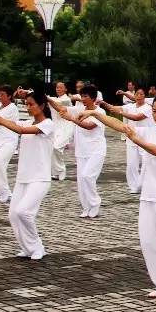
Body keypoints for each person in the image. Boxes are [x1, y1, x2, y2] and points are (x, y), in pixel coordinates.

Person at [84, 94, 156, 297]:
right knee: (148, 242)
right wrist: (95, 113)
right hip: (149, 195)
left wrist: (138, 141)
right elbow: (118, 125)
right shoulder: (148, 131)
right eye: (155, 111)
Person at [0, 89, 56, 260]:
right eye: (27, 104)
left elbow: (19, 129)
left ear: (41, 105)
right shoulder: (26, 123)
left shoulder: (48, 124)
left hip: (40, 178)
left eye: (32, 104)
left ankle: (38, 246)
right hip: (23, 177)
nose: (29, 107)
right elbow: (14, 125)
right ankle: (27, 248)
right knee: (13, 214)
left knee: (24, 212)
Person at [49, 85, 106, 218]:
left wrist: (72, 118)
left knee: (87, 176)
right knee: (81, 181)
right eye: (82, 96)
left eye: (86, 96)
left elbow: (89, 126)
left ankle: (95, 203)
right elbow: (61, 108)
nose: (83, 99)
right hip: (81, 151)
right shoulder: (80, 109)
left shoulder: (99, 112)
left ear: (93, 98)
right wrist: (47, 99)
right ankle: (86, 207)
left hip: (96, 150)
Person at [101, 87, 151, 194]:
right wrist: (103, 103)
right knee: (132, 163)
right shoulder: (130, 106)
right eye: (137, 94)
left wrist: (121, 113)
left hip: (145, 136)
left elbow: (137, 117)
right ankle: (134, 187)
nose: (139, 96)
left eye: (142, 94)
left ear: (145, 96)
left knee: (147, 161)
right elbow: (113, 108)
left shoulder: (148, 108)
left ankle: (145, 184)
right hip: (131, 134)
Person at [47, 81, 74, 181]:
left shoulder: (66, 100)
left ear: (66, 89)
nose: (58, 89)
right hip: (55, 128)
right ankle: (55, 172)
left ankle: (61, 170)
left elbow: (57, 105)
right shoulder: (54, 99)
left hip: (66, 127)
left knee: (56, 147)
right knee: (51, 149)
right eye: (57, 88)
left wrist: (47, 99)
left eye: (61, 87)